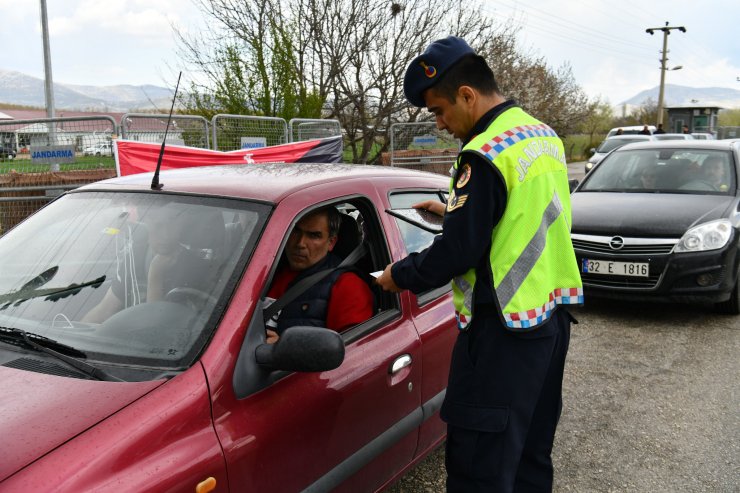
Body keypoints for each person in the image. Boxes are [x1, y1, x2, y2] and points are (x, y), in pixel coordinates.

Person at [375, 36, 583, 492]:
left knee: (479, 469)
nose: (441, 123)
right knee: (529, 457)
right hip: (547, 323)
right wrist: (455, 210)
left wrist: (398, 275)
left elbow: (457, 254)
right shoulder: (540, 134)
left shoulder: (484, 153)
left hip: (500, 336)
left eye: (439, 110)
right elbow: (520, 212)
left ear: (467, 95)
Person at [83, 203, 215, 323]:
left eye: (172, 223)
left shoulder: (195, 267)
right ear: (145, 222)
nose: (166, 234)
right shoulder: (136, 255)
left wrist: (155, 274)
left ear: (182, 223)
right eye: (158, 225)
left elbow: (154, 327)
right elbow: (106, 308)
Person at [265, 206, 374, 344]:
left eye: (313, 235)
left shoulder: (348, 285)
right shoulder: (266, 268)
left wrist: (284, 351)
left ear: (331, 242)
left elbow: (354, 353)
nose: (300, 243)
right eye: (295, 231)